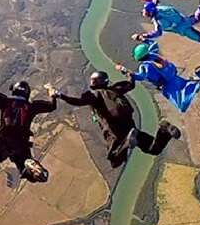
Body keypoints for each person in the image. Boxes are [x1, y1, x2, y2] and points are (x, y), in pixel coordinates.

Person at [46, 72, 180, 168]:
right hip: (130, 127)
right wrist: (126, 73)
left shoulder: (93, 95)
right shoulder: (115, 89)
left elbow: (78, 101)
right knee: (154, 149)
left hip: (115, 133)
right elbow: (131, 84)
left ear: (93, 83)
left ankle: (127, 143)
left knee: (114, 160)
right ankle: (164, 130)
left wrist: (59, 95)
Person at [0, 69, 55, 183]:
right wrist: (51, 92)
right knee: (22, 159)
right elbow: (52, 106)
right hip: (20, 141)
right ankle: (30, 167)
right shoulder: (31, 107)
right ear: (27, 93)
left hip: (4, 140)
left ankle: (28, 165)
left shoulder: (5, 101)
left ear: (14, 91)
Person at [117, 39, 200, 114]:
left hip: (167, 85)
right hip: (173, 77)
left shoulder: (145, 66)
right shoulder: (153, 54)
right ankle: (198, 76)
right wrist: (141, 38)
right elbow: (154, 43)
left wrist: (124, 70)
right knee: (187, 86)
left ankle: (198, 79)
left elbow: (140, 76)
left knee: (182, 105)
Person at [133, 0, 200, 44]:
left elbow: (158, 33)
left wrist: (144, 36)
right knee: (197, 18)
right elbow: (154, 1)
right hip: (183, 20)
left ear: (151, 12)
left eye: (146, 12)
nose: (144, 13)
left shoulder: (158, 21)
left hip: (183, 29)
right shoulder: (161, 8)